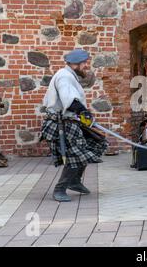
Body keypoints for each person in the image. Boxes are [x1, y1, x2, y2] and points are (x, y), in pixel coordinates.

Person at [40, 49, 107, 202]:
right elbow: (69, 100)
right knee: (76, 155)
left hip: (71, 121)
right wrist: (83, 111)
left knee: (95, 144)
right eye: (84, 63)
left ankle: (75, 181)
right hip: (62, 123)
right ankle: (60, 189)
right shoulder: (64, 76)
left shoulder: (69, 75)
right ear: (76, 64)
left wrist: (84, 114)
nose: (85, 66)